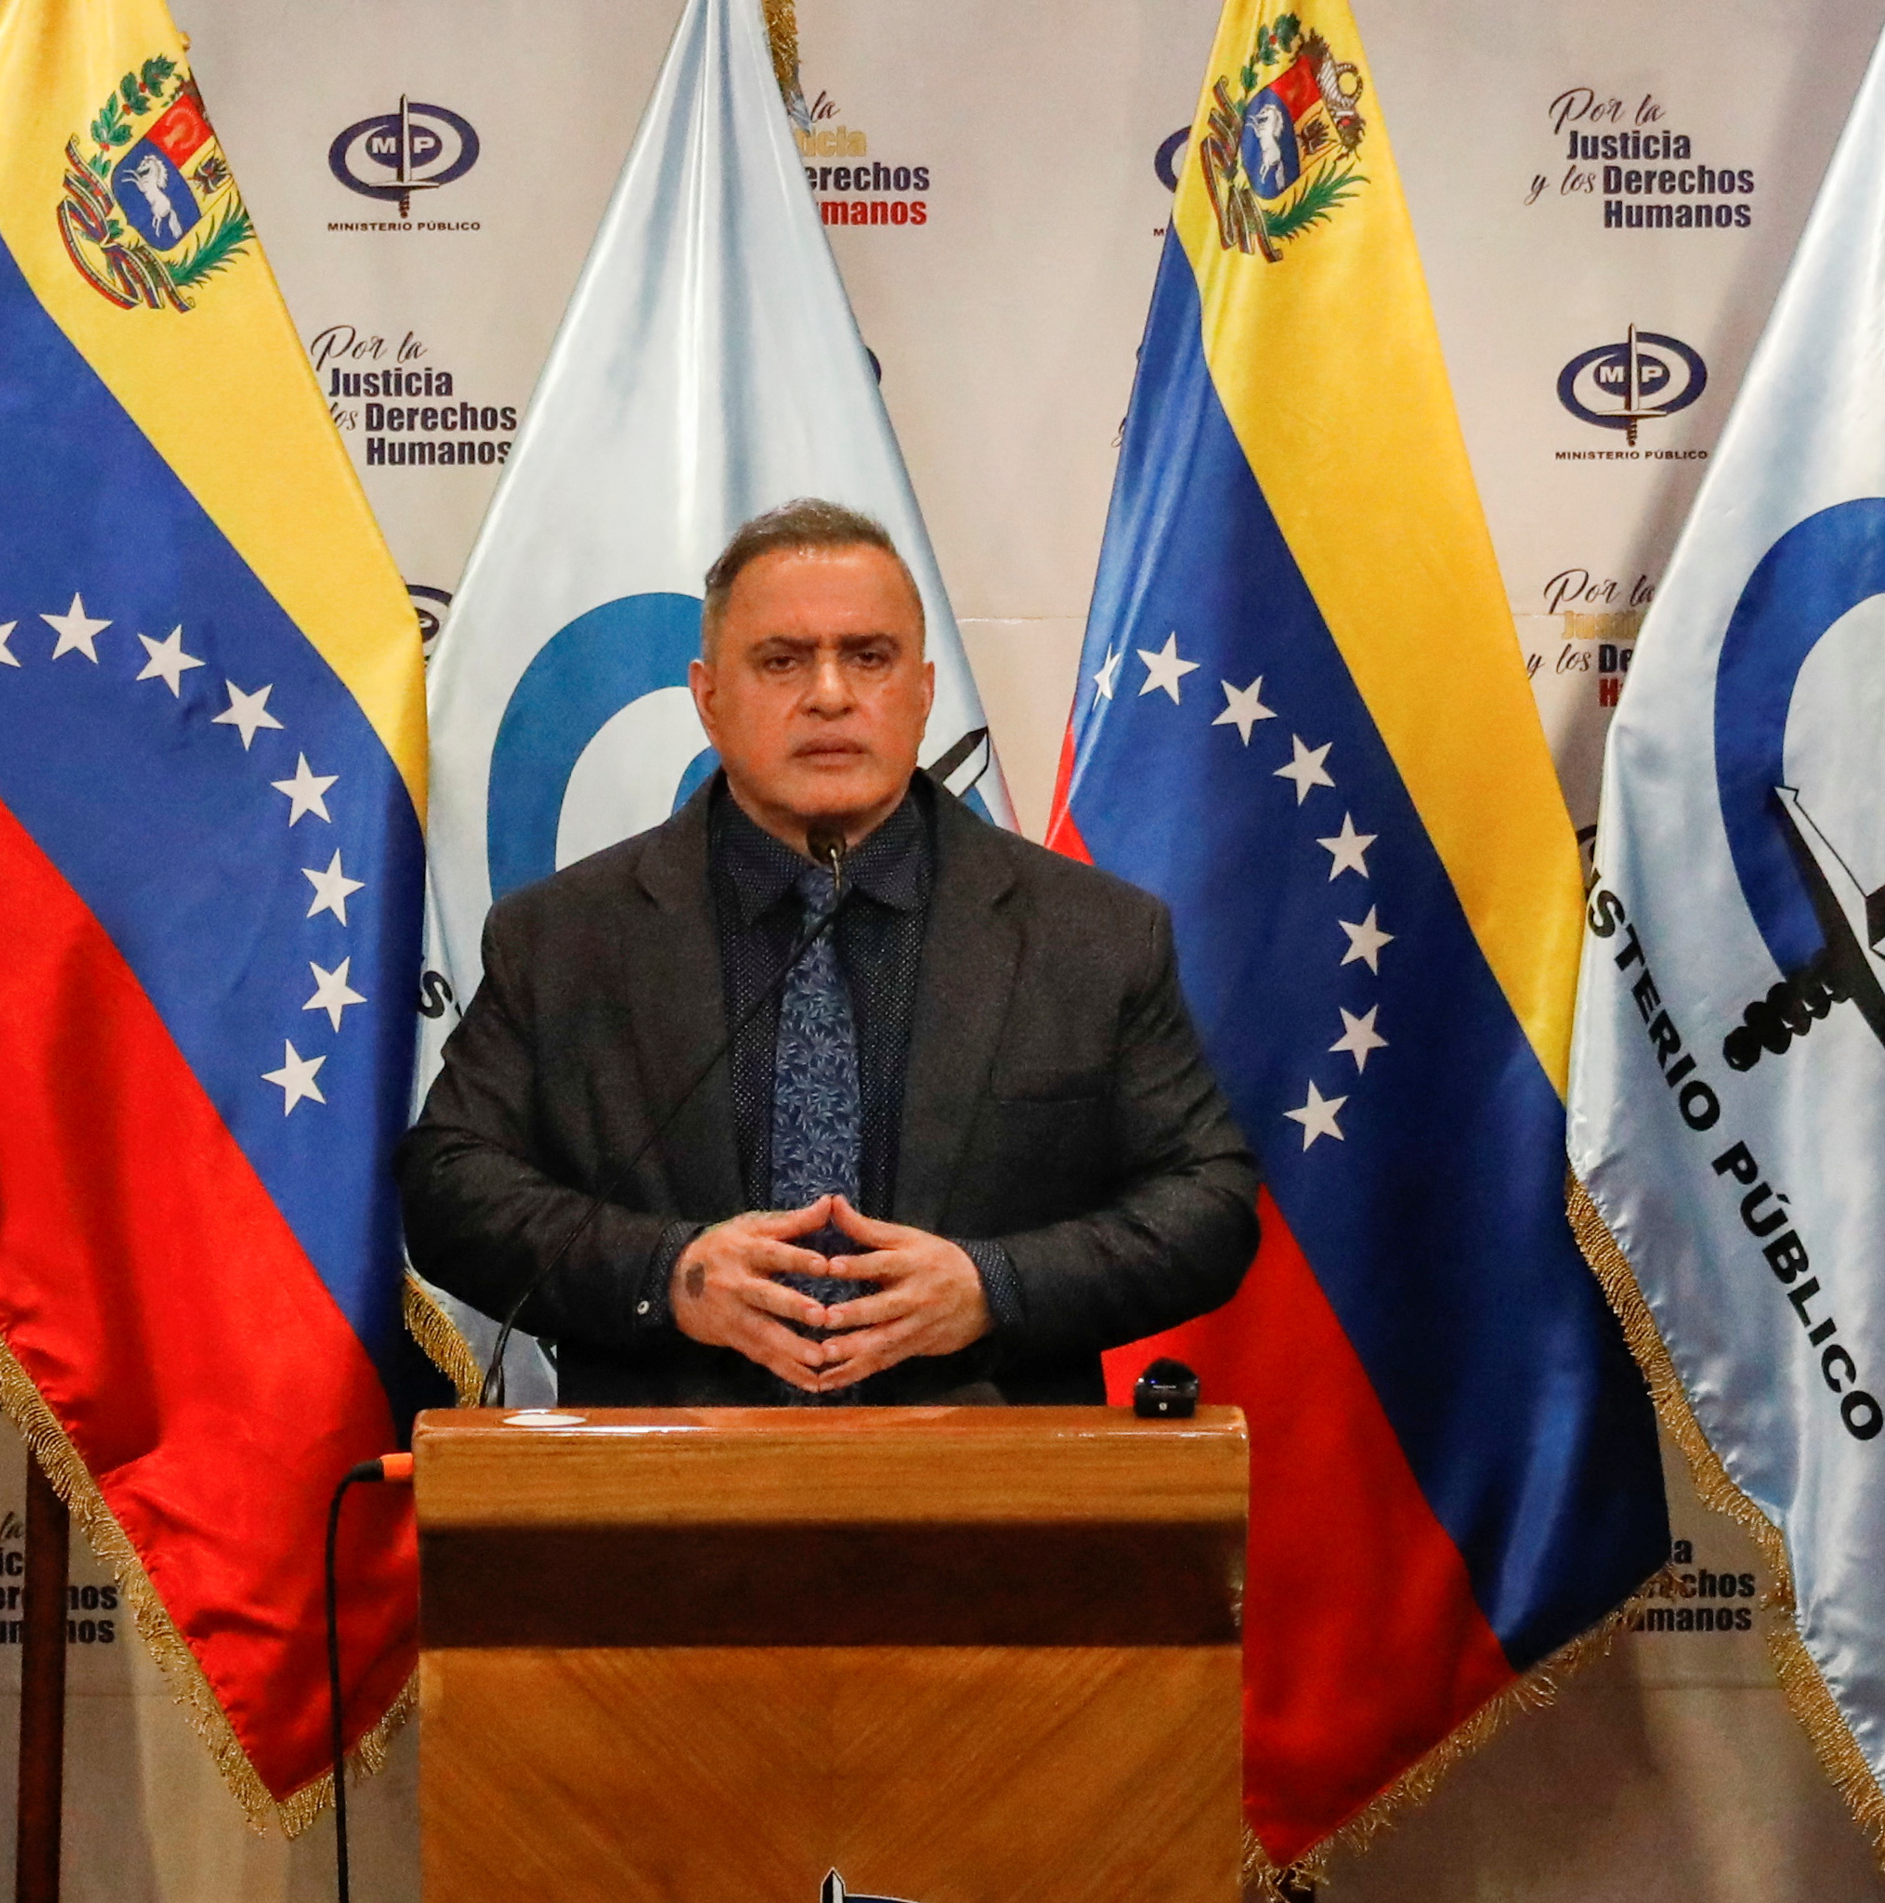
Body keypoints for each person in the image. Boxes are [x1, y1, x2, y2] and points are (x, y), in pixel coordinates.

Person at [407, 498, 1261, 1404]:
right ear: (708, 698)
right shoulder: (565, 937)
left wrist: (996, 1286)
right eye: (782, 660)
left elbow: (1207, 1202)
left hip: (987, 1471)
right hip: (669, 1475)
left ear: (923, 693)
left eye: (869, 657)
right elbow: (451, 1190)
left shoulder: (1089, 935)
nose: (828, 694)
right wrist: (668, 1275)